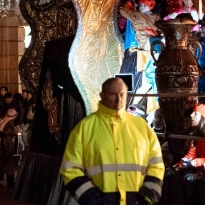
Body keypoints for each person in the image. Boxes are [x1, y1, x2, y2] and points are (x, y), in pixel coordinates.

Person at [61, 77, 164, 205]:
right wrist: (93, 200)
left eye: (122, 94)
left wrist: (148, 197)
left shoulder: (142, 127)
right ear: (102, 95)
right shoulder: (83, 129)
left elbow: (156, 165)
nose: (118, 100)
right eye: (112, 94)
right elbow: (70, 169)